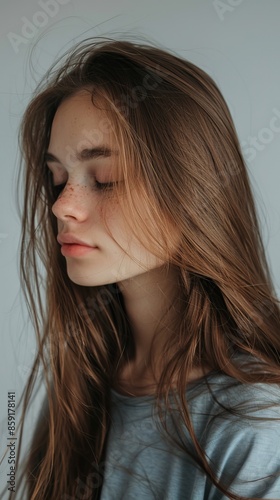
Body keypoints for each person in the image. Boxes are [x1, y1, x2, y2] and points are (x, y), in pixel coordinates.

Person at [7, 36, 280, 499]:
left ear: (191, 190)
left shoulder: (258, 426)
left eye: (105, 179)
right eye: (57, 179)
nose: (61, 207)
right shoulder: (79, 388)